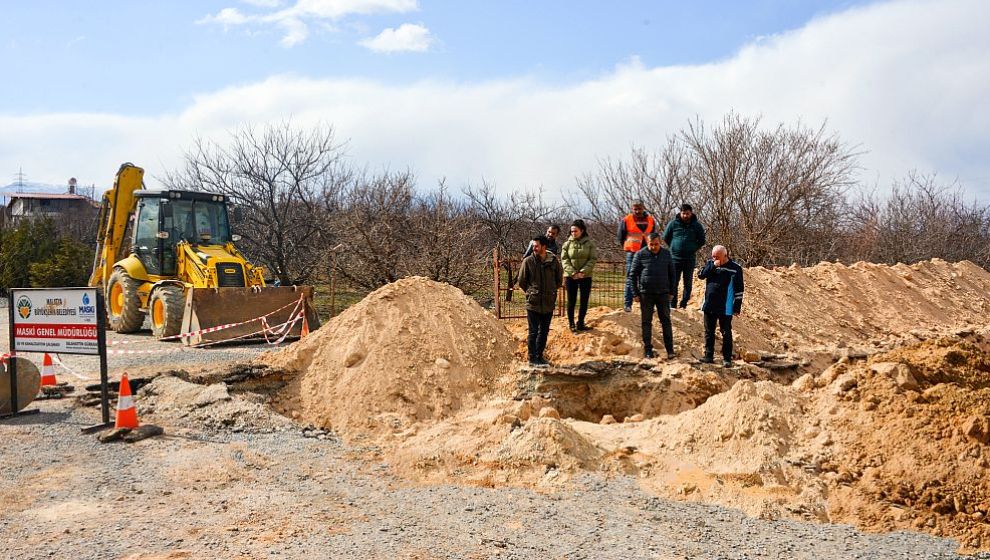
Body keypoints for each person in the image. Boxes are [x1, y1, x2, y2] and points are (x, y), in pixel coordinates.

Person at [517, 234, 564, 367]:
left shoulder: (554, 261)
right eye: (533, 246)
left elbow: (559, 280)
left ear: (544, 246)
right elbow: (522, 281)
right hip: (533, 303)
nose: (534, 248)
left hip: (548, 303)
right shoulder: (528, 261)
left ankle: (539, 356)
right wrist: (531, 292)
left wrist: (551, 291)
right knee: (533, 331)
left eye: (537, 246)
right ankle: (532, 358)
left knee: (544, 331)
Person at [631, 233, 676, 360]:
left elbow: (672, 274)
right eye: (651, 244)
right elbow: (632, 275)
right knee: (646, 322)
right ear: (647, 242)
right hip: (646, 294)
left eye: (656, 244)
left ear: (660, 242)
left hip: (663, 293)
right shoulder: (640, 254)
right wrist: (635, 293)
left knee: (666, 321)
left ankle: (670, 350)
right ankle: (648, 349)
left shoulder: (666, 254)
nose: (654, 247)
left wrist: (672, 291)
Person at [698, 245, 744, 367]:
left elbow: (739, 290)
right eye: (713, 256)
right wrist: (713, 266)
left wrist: (736, 307)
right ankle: (708, 356)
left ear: (725, 255)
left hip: (725, 307)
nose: (714, 259)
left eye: (717, 257)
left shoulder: (735, 268)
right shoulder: (710, 264)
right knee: (709, 332)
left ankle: (727, 359)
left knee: (726, 332)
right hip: (709, 304)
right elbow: (701, 275)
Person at [663, 203, 706, 308]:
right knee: (673, 282)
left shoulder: (697, 226)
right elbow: (665, 237)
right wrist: (673, 247)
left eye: (687, 213)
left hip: (689, 259)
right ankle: (672, 304)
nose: (685, 216)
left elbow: (701, 241)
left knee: (688, 283)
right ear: (680, 213)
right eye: (683, 213)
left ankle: (684, 303)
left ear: (691, 213)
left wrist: (692, 248)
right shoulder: (673, 224)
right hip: (675, 259)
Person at [616, 201, 658, 312]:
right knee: (631, 277)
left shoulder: (650, 220)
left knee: (646, 279)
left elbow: (653, 235)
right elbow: (620, 236)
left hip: (647, 253)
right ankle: (627, 304)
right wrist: (627, 246)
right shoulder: (626, 220)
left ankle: (647, 304)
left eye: (639, 208)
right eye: (635, 209)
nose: (637, 211)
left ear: (643, 207)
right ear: (632, 208)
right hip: (632, 253)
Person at [560, 219, 598, 333]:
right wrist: (573, 273)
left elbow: (592, 259)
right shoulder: (567, 244)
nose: (573, 233)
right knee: (571, 301)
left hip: (585, 277)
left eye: (575, 231)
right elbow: (564, 260)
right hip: (570, 277)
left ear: (582, 230)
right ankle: (571, 324)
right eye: (571, 231)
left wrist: (583, 272)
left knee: (584, 301)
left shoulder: (590, 244)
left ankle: (581, 323)